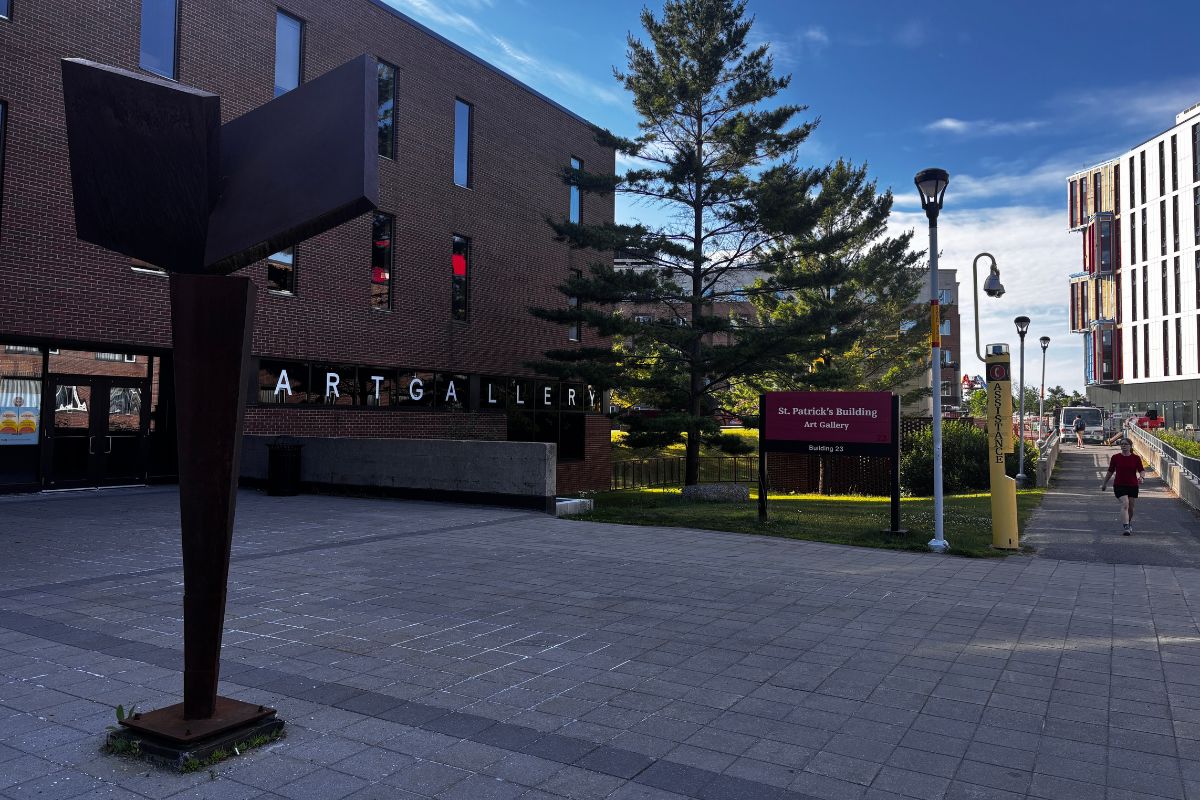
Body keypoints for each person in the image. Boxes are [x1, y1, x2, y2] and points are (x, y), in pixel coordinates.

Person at [1101, 438, 1145, 535]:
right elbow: (1110, 471)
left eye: (1125, 444)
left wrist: (1141, 477)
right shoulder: (1115, 457)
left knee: (1131, 507)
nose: (1123, 446)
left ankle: (1129, 523)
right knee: (1125, 503)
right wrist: (1104, 483)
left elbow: (1141, 469)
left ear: (1130, 446)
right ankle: (1126, 527)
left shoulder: (1136, 458)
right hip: (1119, 485)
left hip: (1133, 485)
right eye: (1122, 444)